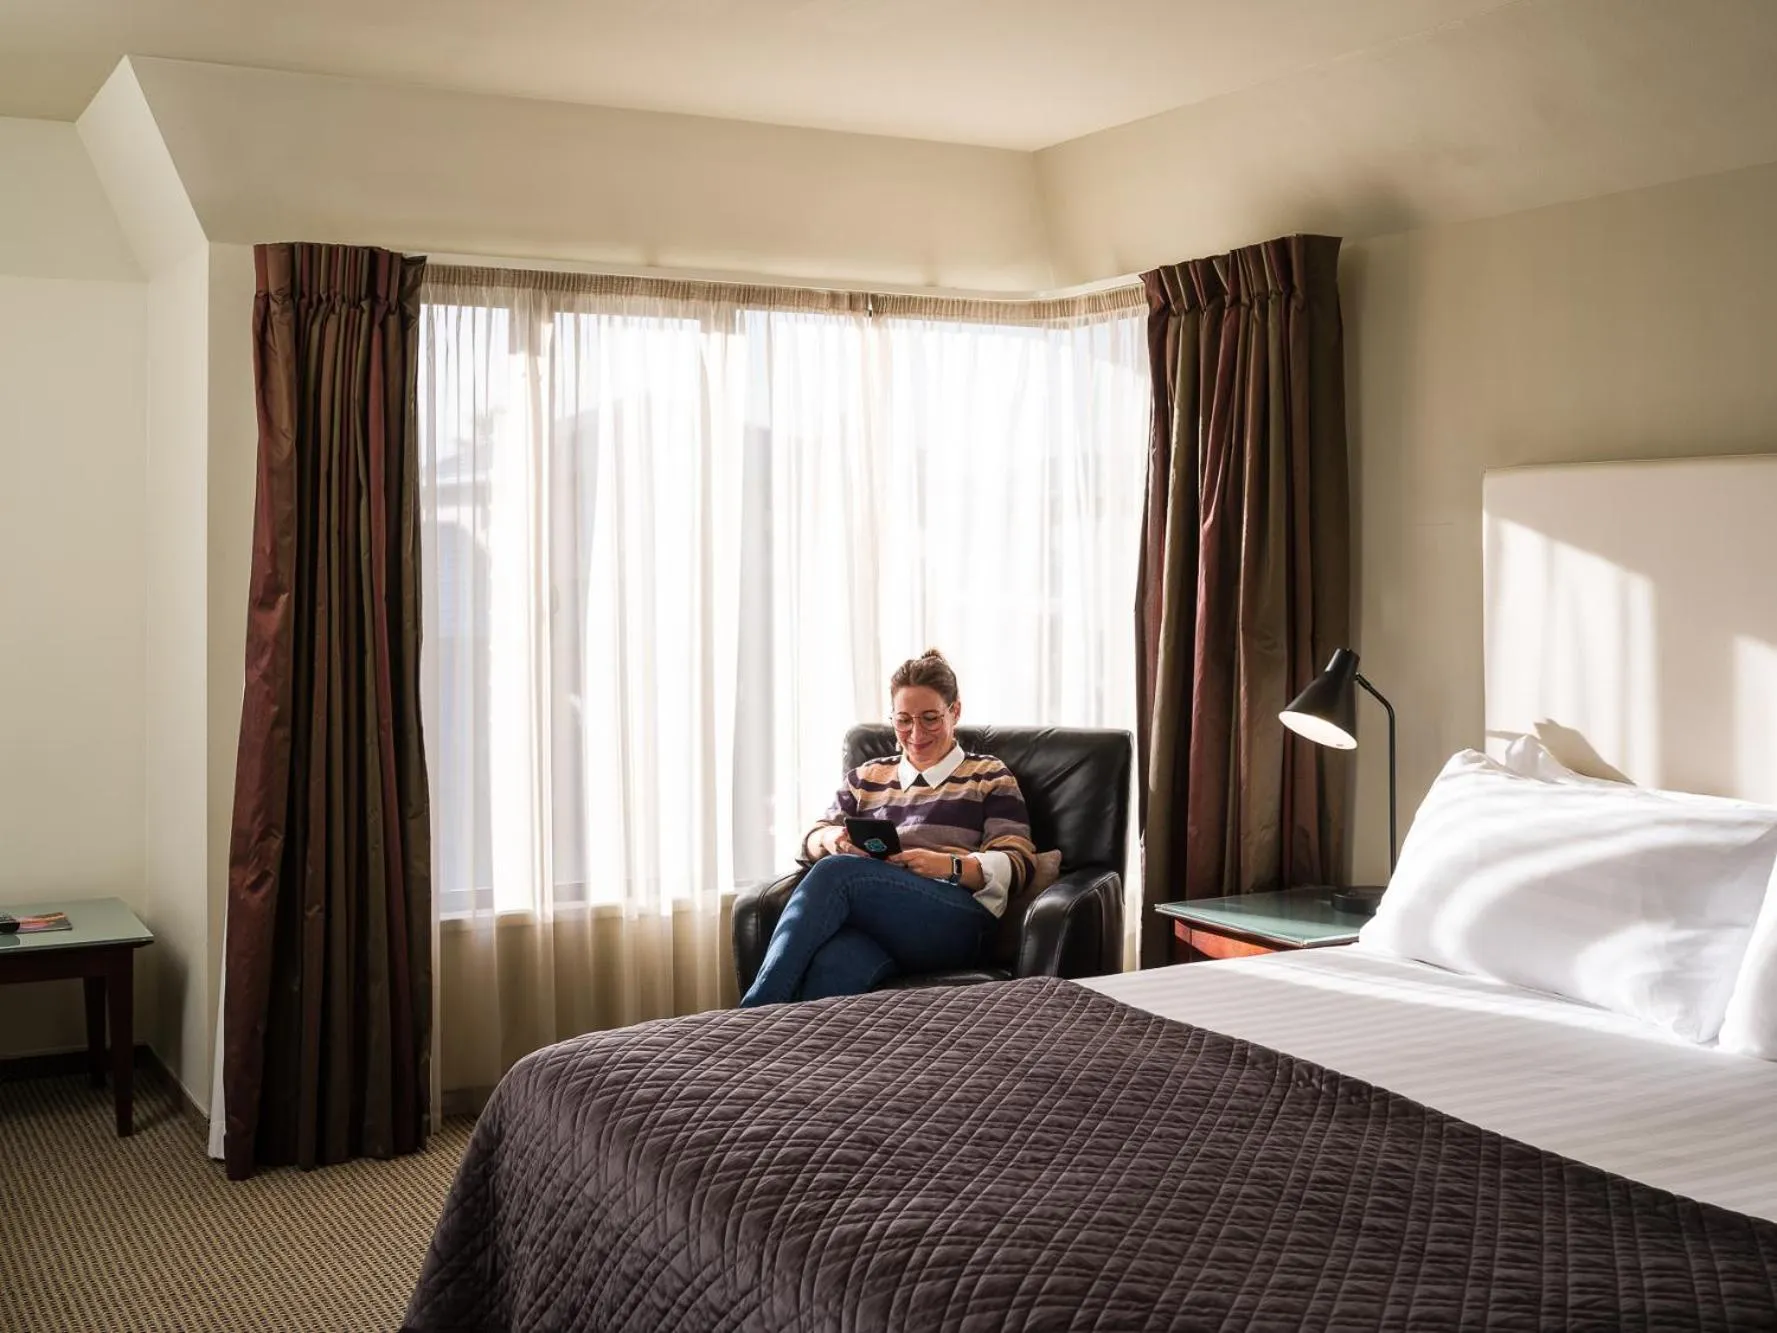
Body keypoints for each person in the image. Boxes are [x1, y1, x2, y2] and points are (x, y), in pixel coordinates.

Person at [740, 649, 1038, 1006]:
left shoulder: (988, 775)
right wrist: (833, 839)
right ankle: (778, 1039)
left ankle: (750, 1014)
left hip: (956, 920)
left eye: (930, 719)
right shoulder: (867, 777)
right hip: (881, 926)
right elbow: (811, 841)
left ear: (955, 711)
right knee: (833, 965)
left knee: (838, 873)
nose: (916, 733)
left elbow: (1017, 861)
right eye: (903, 720)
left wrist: (948, 865)